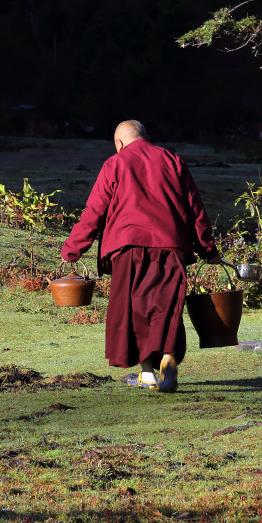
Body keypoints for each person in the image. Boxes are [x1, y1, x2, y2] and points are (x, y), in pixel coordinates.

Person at [61, 120, 220, 392]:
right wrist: (208, 250)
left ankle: (147, 374)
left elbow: (94, 211)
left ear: (119, 143)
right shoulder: (173, 160)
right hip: (170, 246)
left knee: (134, 311)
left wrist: (72, 250)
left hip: (127, 249)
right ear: (147, 137)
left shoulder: (115, 163)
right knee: (166, 307)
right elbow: (196, 209)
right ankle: (167, 357)